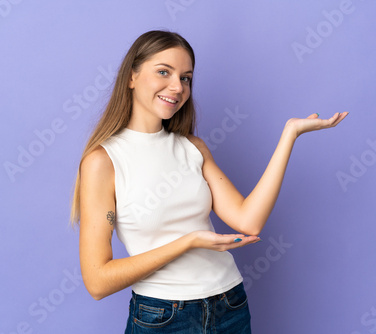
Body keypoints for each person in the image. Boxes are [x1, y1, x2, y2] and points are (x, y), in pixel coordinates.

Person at [70, 30, 348, 333]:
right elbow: (97, 281)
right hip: (162, 317)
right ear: (131, 77)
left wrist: (290, 134)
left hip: (230, 305)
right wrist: (189, 241)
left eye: (186, 78)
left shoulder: (193, 148)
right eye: (164, 72)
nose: (177, 87)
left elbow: (248, 221)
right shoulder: (103, 161)